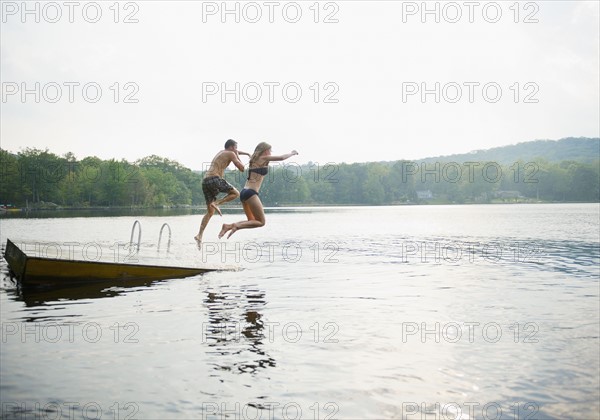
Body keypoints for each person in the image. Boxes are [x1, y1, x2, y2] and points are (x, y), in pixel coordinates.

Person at [218, 142, 298, 239]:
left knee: (251, 220)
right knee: (261, 222)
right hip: (251, 193)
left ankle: (228, 226)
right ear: (265, 151)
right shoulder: (263, 158)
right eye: (270, 151)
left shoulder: (254, 159)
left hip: (244, 192)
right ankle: (235, 226)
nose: (271, 153)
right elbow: (281, 158)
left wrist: (245, 153)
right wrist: (292, 153)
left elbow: (237, 151)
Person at [195, 139, 250, 242]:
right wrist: (238, 156)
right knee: (235, 193)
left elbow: (237, 151)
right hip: (214, 179)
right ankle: (217, 203)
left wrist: (246, 153)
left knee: (210, 212)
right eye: (236, 148)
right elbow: (242, 168)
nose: (237, 150)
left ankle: (199, 235)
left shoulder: (222, 152)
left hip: (206, 181)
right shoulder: (231, 154)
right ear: (231, 147)